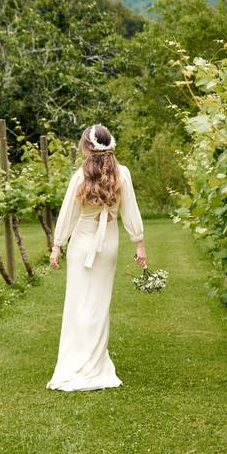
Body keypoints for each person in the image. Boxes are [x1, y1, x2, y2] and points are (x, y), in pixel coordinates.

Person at [46, 124, 147, 392]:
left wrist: (57, 245)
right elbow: (131, 210)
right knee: (99, 304)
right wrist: (139, 243)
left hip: (83, 241)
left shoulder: (80, 176)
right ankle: (94, 362)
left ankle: (77, 361)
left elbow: (68, 213)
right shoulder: (121, 174)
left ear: (86, 147)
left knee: (78, 302)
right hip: (108, 242)